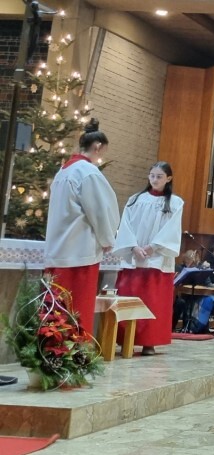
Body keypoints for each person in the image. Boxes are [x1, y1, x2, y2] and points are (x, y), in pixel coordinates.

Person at [43, 118, 120, 335]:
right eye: (103, 151)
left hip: (58, 250)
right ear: (97, 146)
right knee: (77, 309)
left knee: (56, 310)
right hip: (79, 251)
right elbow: (100, 210)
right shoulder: (88, 173)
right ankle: (77, 350)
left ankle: (53, 348)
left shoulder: (63, 172)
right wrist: (107, 239)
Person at [112, 161, 183, 356]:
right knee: (129, 298)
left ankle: (149, 342)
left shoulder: (175, 203)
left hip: (157, 260)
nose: (155, 180)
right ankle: (126, 339)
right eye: (152, 175)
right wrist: (133, 247)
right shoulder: (135, 199)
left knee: (152, 301)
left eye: (159, 176)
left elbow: (171, 230)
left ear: (168, 178)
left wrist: (153, 247)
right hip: (134, 258)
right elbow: (125, 225)